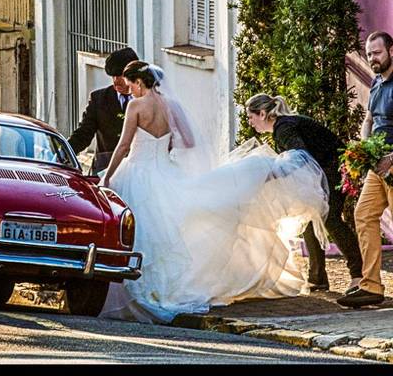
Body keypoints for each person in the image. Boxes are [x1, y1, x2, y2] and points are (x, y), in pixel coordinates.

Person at [99, 61, 330, 324]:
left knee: (140, 231)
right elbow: (188, 141)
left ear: (139, 83)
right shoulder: (169, 105)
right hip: (164, 170)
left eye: (130, 87)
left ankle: (143, 288)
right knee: (166, 233)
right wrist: (163, 148)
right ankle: (167, 286)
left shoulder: (136, 106)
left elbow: (124, 145)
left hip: (139, 173)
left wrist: (107, 176)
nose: (129, 92)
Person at [245, 94, 363, 294]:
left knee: (330, 218)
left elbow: (300, 155)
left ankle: (359, 275)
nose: (250, 123)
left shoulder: (284, 128)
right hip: (327, 169)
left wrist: (272, 175)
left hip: (335, 169)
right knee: (309, 219)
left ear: (263, 113)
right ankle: (317, 278)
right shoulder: (283, 127)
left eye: (251, 117)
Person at [338, 30, 393, 308]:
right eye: (369, 54)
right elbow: (369, 119)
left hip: (392, 162)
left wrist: (391, 157)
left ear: (391, 51)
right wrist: (364, 146)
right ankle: (371, 286)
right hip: (376, 162)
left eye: (377, 53)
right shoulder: (377, 84)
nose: (372, 58)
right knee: (363, 214)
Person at [68, 47, 138, 175]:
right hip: (104, 169)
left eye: (120, 76)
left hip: (136, 170)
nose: (116, 81)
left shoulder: (147, 100)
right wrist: (65, 152)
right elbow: (84, 133)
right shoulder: (99, 99)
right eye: (113, 76)